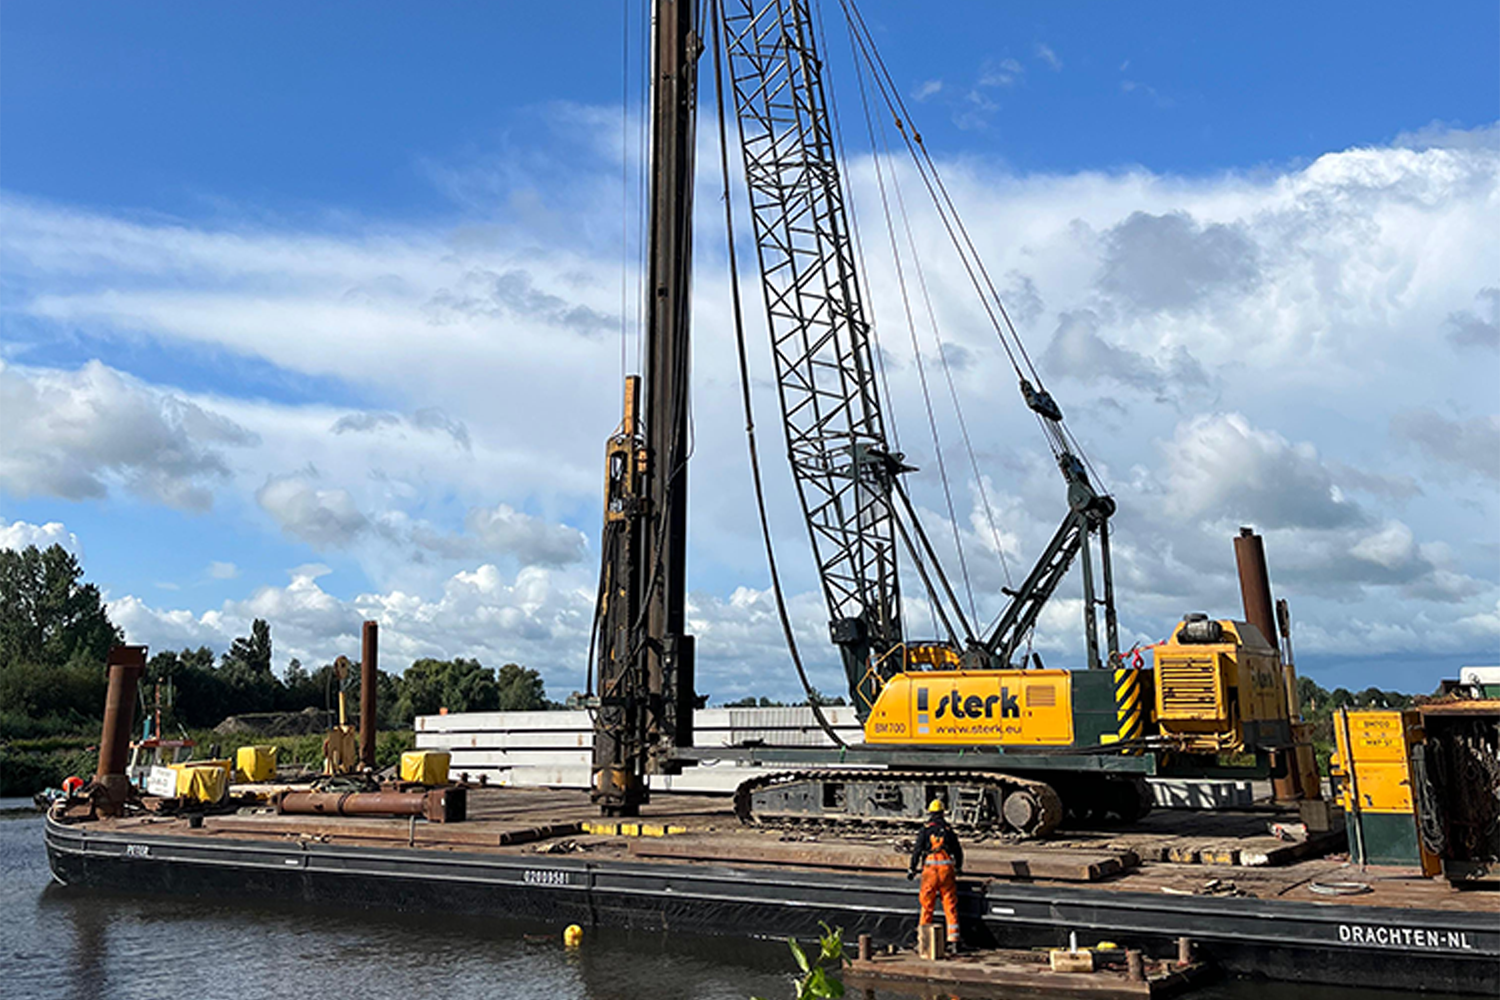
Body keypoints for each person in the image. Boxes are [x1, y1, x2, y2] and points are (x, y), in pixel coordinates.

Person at [907, 798, 964, 952]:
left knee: (927, 906)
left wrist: (912, 869)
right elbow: (958, 851)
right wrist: (958, 867)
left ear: (930, 813)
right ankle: (953, 941)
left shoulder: (925, 830)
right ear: (943, 813)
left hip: (930, 872)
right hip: (946, 873)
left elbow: (917, 850)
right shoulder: (949, 830)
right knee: (950, 906)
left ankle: (923, 942)